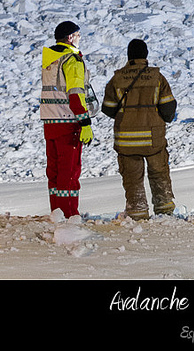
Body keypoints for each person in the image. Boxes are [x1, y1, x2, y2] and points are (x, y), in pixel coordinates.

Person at [102, 39, 177, 220]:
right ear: (146, 55)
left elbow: (108, 108)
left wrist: (127, 117)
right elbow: (168, 110)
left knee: (132, 179)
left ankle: (137, 213)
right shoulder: (157, 78)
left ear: (129, 56)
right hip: (153, 139)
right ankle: (164, 211)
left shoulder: (117, 78)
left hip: (126, 141)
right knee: (159, 174)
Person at [39, 21, 94, 218]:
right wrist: (85, 121)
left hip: (50, 122)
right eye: (78, 34)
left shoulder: (50, 60)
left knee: (53, 173)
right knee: (69, 173)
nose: (79, 38)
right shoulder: (72, 60)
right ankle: (70, 215)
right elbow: (75, 94)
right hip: (68, 122)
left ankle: (57, 213)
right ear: (70, 37)